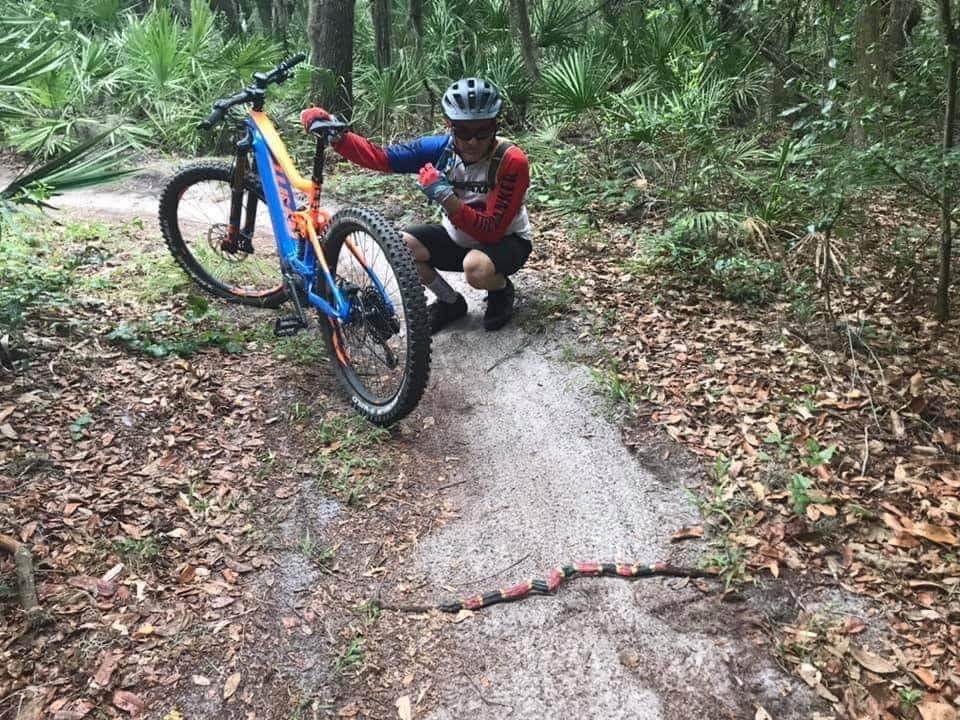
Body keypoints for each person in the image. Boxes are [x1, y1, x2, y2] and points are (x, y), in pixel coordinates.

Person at [300, 77, 532, 333]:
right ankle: (450, 302)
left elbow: (491, 231)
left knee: (476, 268)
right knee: (400, 247)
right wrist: (337, 137)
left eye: (482, 132)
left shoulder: (512, 162)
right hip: (459, 237)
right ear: (449, 126)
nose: (473, 142)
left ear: (495, 126)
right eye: (464, 132)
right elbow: (382, 158)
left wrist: (446, 198)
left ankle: (500, 290)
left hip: (506, 242)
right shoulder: (441, 150)